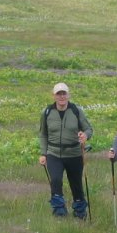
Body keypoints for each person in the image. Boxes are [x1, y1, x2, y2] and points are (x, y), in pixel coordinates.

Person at [38, 82, 93, 219]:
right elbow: (43, 134)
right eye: (58, 94)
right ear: (54, 96)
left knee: (76, 184)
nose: (61, 96)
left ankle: (80, 212)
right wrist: (43, 153)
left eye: (64, 93)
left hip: (74, 154)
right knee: (55, 180)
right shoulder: (47, 112)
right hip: (54, 153)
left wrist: (85, 135)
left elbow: (88, 129)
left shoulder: (76, 110)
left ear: (68, 95)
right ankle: (59, 212)